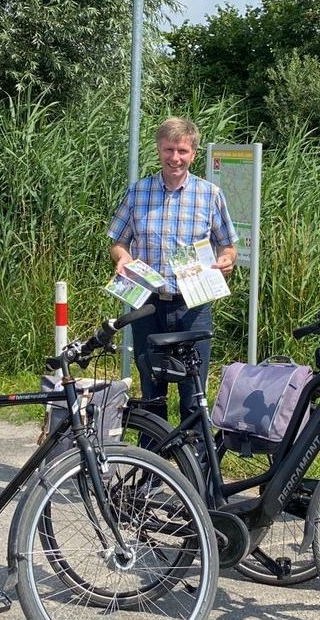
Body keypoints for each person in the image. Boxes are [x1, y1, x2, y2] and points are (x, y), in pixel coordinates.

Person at [109, 116, 237, 418]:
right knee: (152, 391)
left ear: (193, 153)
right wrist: (122, 257)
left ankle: (194, 462)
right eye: (169, 150)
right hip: (149, 306)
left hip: (194, 307)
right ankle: (151, 461)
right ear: (158, 150)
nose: (175, 158)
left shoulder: (210, 195)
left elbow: (228, 245)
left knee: (193, 393)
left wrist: (226, 261)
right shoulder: (138, 192)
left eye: (182, 151)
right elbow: (118, 241)